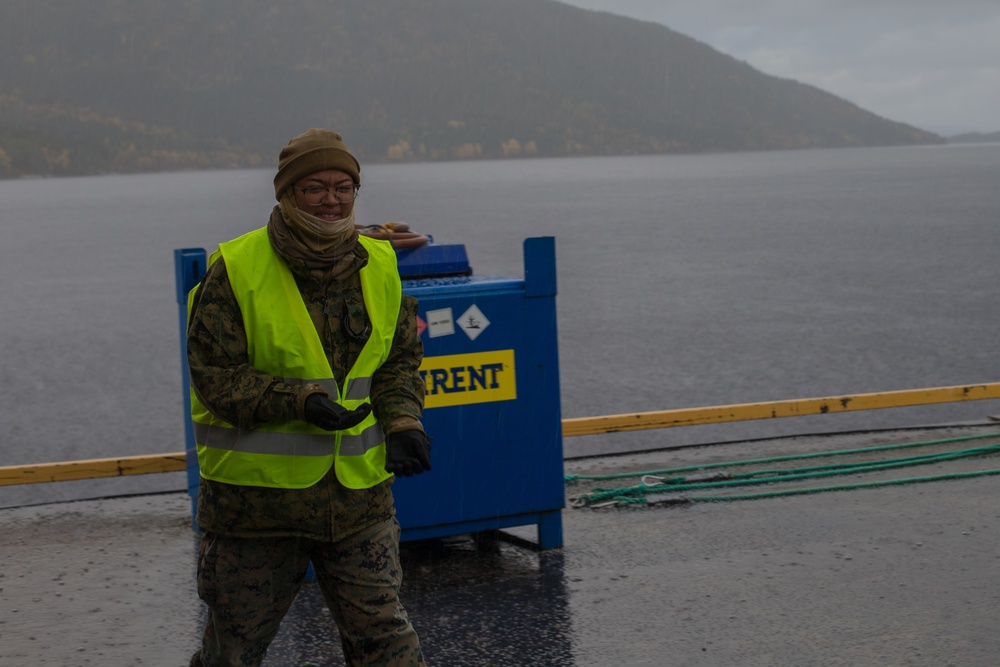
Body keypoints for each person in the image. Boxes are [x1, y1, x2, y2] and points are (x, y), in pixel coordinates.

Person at [186, 128, 432, 667]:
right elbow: (215, 376)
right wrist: (300, 401)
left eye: (343, 186)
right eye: (314, 187)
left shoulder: (381, 264)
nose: (331, 199)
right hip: (256, 512)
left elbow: (397, 361)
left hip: (359, 505)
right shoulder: (236, 269)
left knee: (388, 645)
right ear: (286, 194)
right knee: (233, 650)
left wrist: (404, 423)